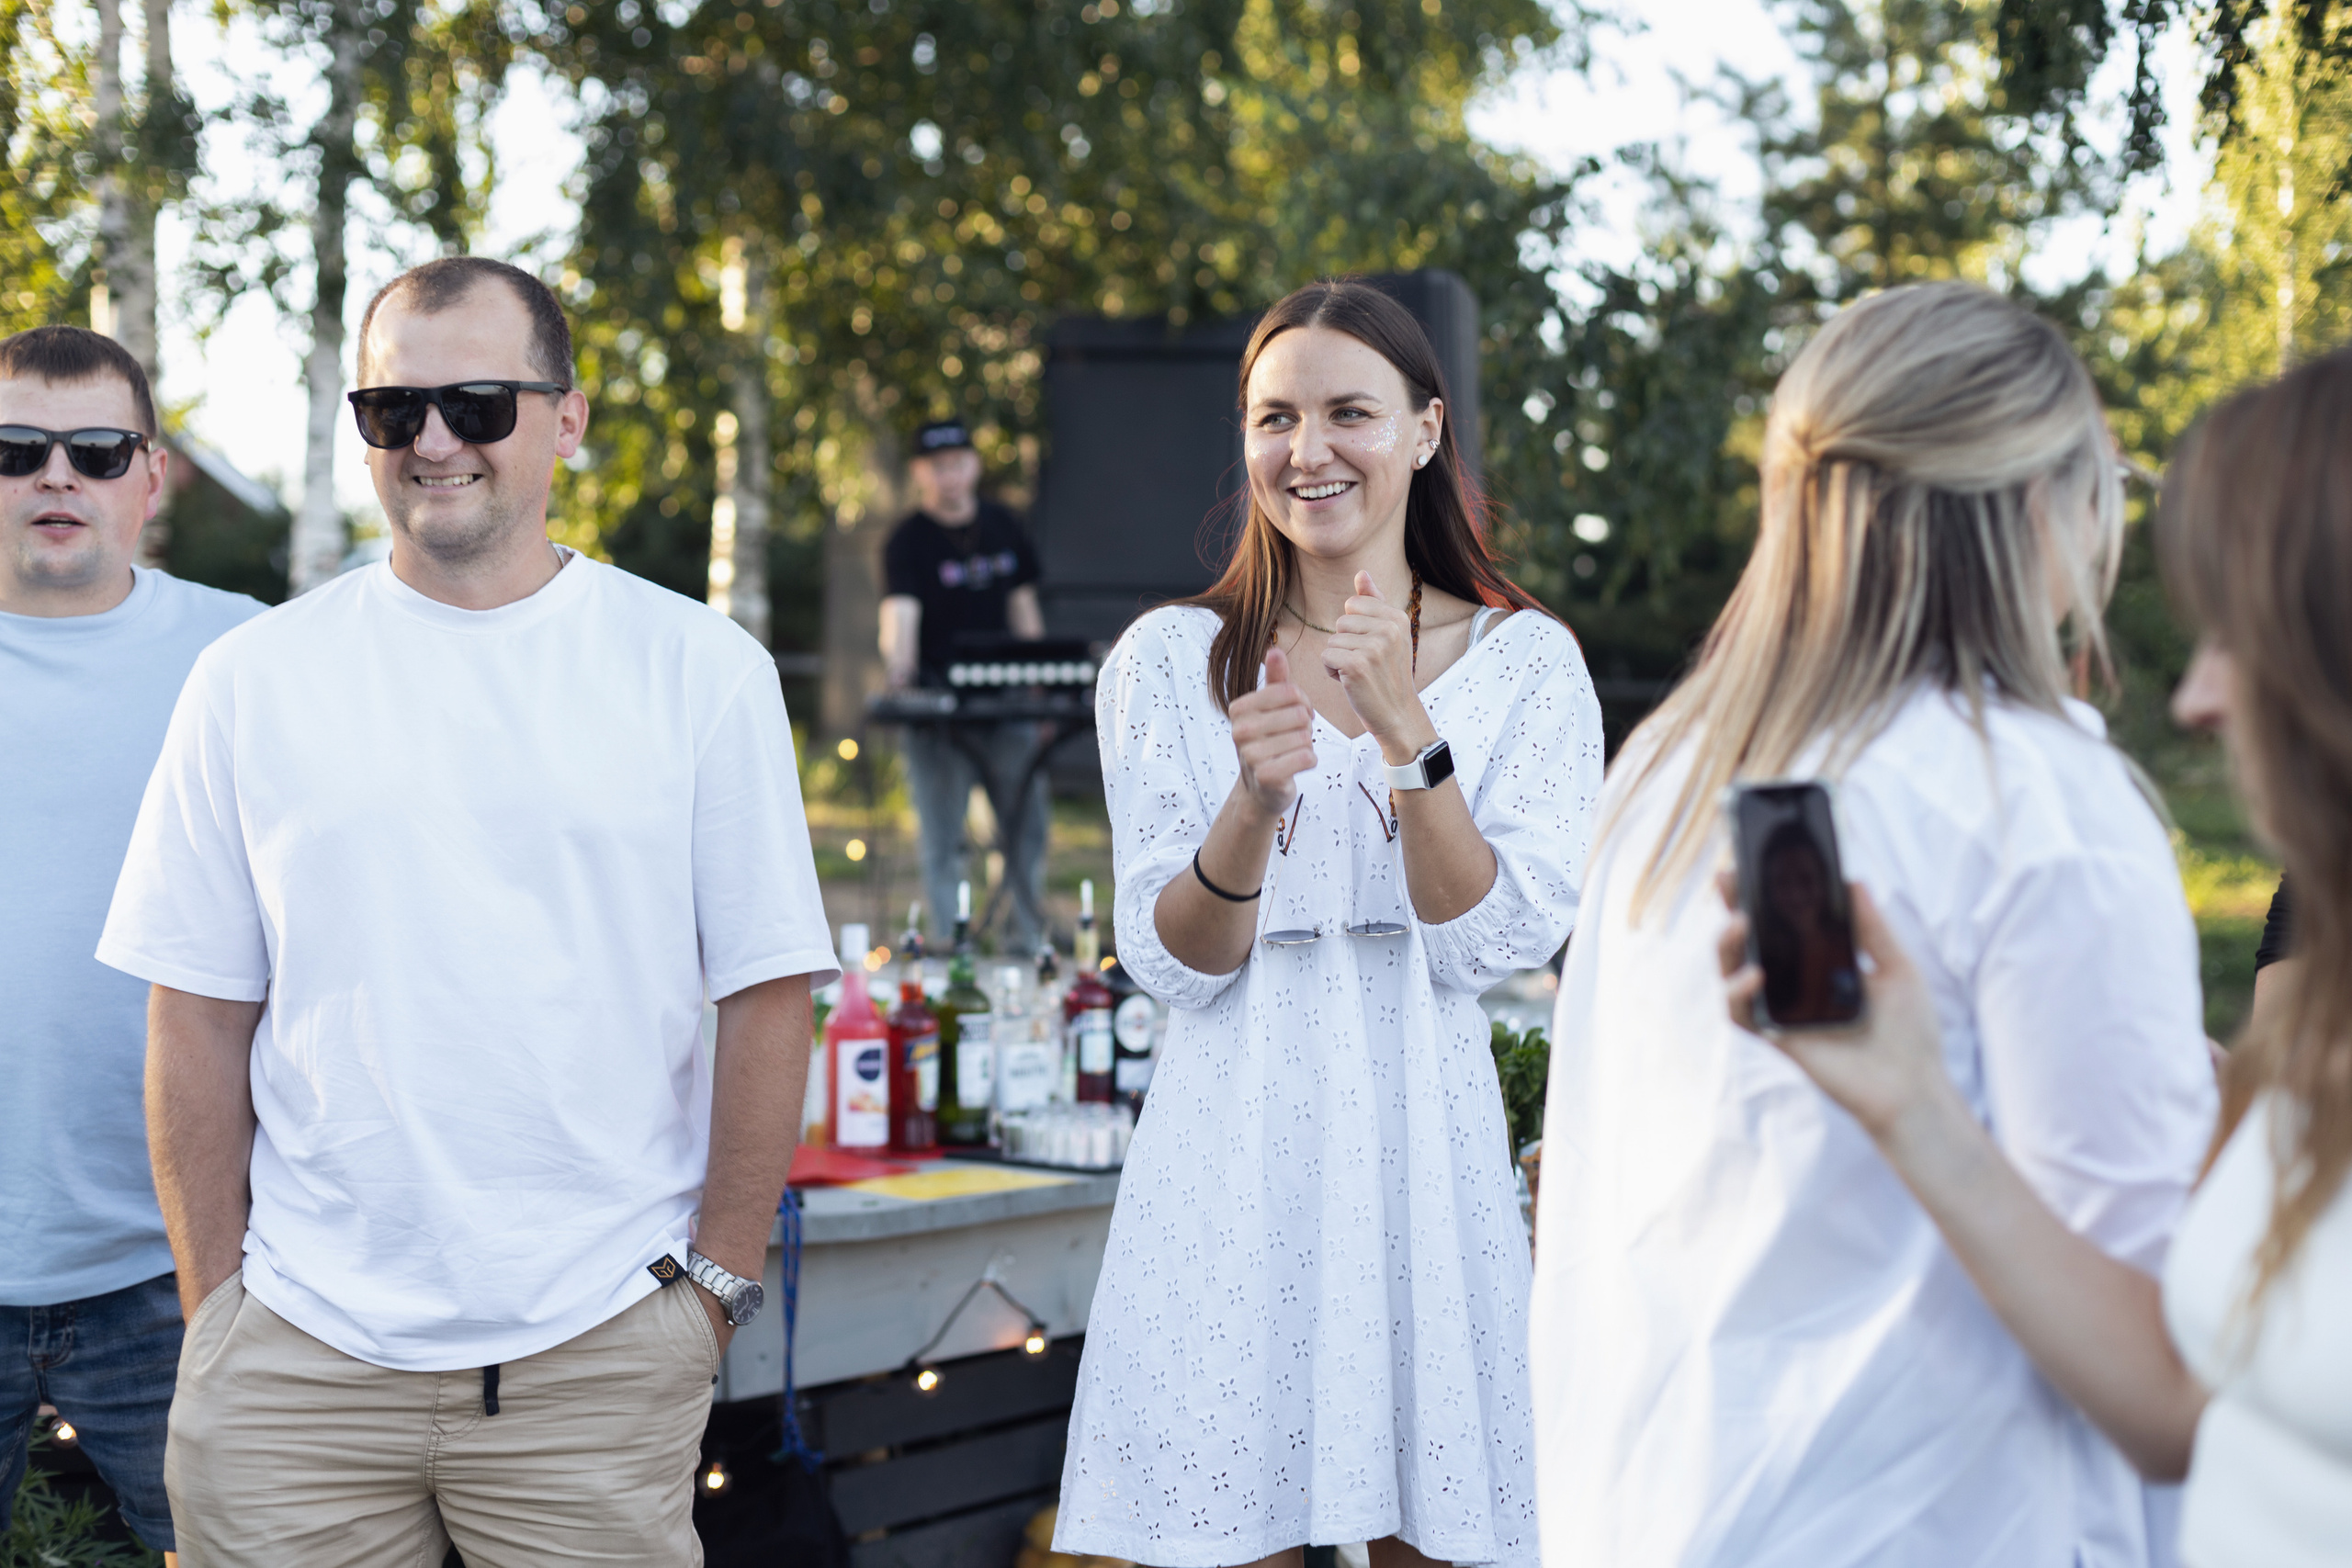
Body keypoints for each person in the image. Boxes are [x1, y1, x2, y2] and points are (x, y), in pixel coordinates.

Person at [96, 255, 836, 1566]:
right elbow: (196, 1011)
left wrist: (711, 1290)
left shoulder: (699, 670)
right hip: (297, 1369)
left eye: (480, 403)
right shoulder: (251, 679)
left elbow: (770, 991)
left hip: (595, 1354)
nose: (435, 440)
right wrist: (220, 1313)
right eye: (395, 410)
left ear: (569, 416)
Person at [1532, 282, 2219, 1567]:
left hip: (1658, 1513)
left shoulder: (1669, 773)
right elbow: (2168, 1386)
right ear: (2034, 501)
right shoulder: (2041, 802)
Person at [1710, 345, 2352, 1567]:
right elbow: (2205, 1411)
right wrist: (1913, 1102)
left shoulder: (2061, 805)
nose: (2195, 697)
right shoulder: (2318, 972)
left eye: (2246, 636)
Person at [1057, 279, 1603, 1568]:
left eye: (1347, 412)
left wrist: (1411, 733)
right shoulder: (1168, 661)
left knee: (1435, 1533)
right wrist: (1251, 799)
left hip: (1424, 1134)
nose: (1308, 451)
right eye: (1274, 417)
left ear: (1424, 430)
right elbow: (1175, 961)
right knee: (1226, 1525)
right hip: (1229, 1146)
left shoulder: (1528, 665)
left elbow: (1485, 943)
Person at [0, 326, 264, 1563]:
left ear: (151, 478)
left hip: (177, 1263)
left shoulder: (249, 659)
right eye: (17, 449)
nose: (58, 476)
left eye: (96, 449)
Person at [879, 417, 1049, 951]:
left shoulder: (1004, 524)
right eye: (936, 466)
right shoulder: (907, 540)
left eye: (956, 463)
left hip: (1007, 704)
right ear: (919, 473)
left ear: (973, 465)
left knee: (1026, 827)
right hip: (939, 712)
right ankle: (956, 946)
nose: (948, 475)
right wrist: (902, 676)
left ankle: (1025, 938)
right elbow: (900, 617)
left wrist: (1043, 679)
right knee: (943, 838)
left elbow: (1024, 608)